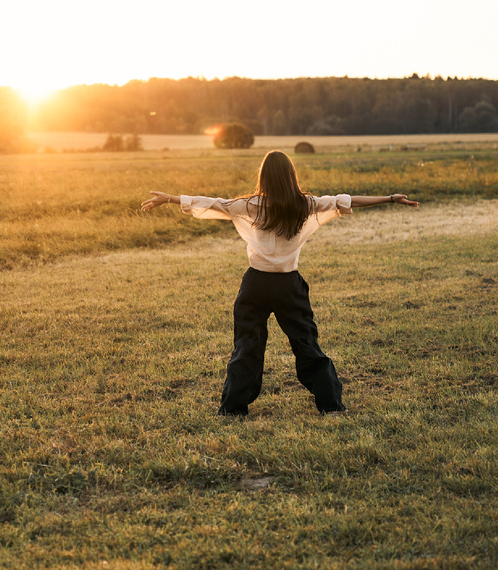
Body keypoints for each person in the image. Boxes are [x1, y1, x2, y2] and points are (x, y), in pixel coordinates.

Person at [141, 150, 419, 416]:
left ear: (263, 177)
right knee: (306, 344)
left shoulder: (248, 206)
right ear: (290, 176)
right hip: (289, 286)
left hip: (255, 285)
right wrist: (391, 198)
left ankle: (232, 409)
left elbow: (211, 202)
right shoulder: (305, 204)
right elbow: (345, 201)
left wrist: (170, 199)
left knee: (246, 346)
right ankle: (331, 405)